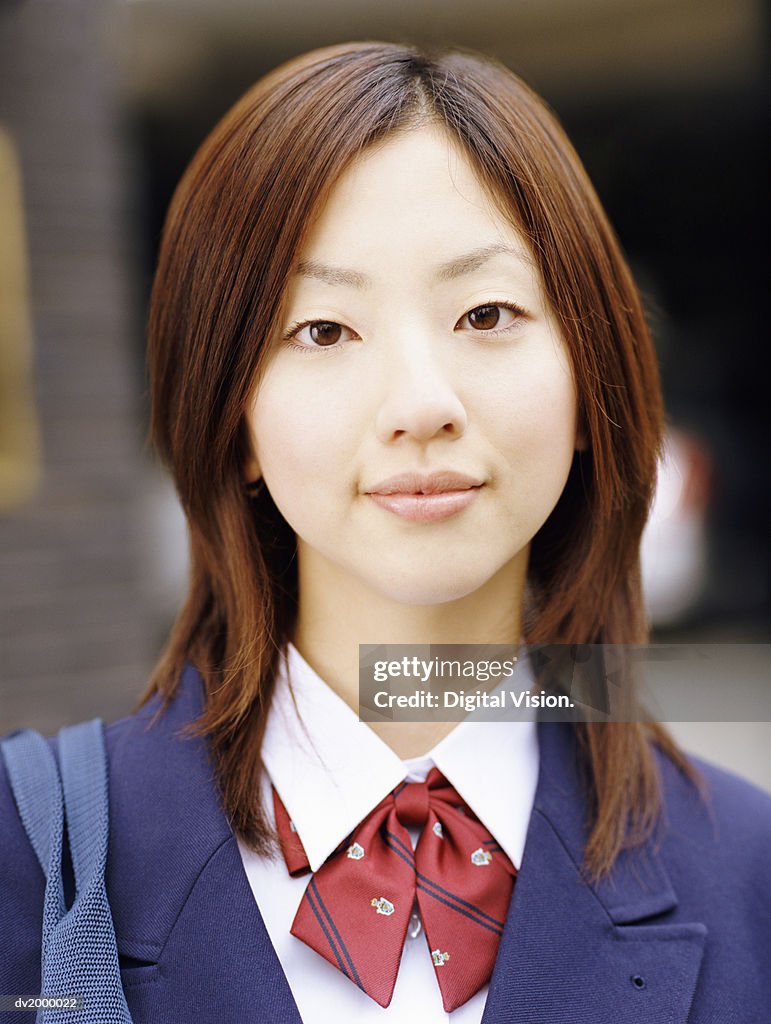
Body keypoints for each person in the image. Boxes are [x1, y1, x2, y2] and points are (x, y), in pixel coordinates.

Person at [1, 41, 769, 1024]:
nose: (419, 402)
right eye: (323, 330)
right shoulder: (35, 853)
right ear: (233, 416)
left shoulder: (751, 880)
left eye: (486, 312)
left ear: (588, 386)